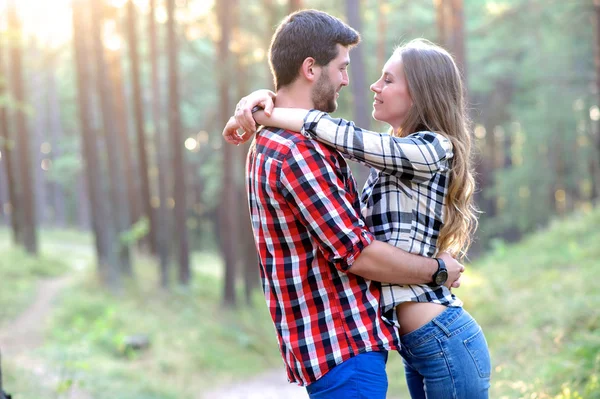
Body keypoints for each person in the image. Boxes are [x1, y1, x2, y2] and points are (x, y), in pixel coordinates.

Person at [224, 38, 492, 398]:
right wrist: (263, 100)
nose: (373, 86)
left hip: (444, 336)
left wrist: (263, 111)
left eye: (389, 80)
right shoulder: (392, 159)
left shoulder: (432, 149)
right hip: (420, 346)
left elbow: (343, 136)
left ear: (421, 93)